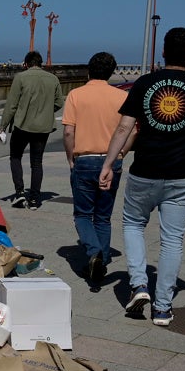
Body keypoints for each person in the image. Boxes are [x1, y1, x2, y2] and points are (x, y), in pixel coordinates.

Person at [98, 27, 185, 327]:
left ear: (164, 51)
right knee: (172, 240)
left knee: (133, 224)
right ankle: (163, 308)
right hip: (183, 174)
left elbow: (124, 127)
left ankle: (139, 284)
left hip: (145, 171)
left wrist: (109, 163)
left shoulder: (144, 83)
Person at [61, 51, 133, 288]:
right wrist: (121, 153)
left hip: (85, 159)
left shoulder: (76, 95)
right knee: (103, 216)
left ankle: (94, 252)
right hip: (112, 161)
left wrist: (71, 158)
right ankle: (101, 261)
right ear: (111, 73)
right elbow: (132, 131)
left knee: (83, 214)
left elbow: (68, 132)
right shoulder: (121, 96)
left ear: (89, 70)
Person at [0, 50, 65, 210]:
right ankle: (34, 199)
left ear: (26, 64)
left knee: (15, 157)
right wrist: (45, 112)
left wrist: (3, 126)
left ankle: (20, 192)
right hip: (43, 128)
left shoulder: (20, 78)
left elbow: (12, 105)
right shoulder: (53, 79)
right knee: (36, 162)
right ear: (40, 63)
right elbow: (59, 103)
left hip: (22, 125)